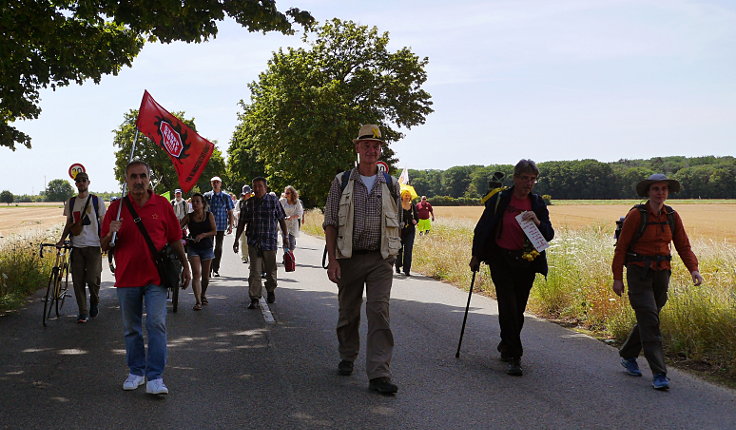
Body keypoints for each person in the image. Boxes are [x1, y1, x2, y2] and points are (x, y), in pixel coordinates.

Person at [323, 124, 402, 395]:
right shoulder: (342, 181)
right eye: (366, 145)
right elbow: (330, 221)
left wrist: (393, 255)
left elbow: (398, 223)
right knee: (348, 314)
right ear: (357, 148)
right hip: (349, 258)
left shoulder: (391, 184)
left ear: (380, 150)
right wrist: (333, 259)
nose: (371, 149)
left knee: (379, 312)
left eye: (375, 146)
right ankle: (347, 354)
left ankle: (379, 373)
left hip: (380, 260)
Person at [101, 160, 191, 395]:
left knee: (156, 324)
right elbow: (102, 245)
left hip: (155, 278)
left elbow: (174, 238)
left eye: (142, 176)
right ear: (126, 180)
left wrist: (186, 266)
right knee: (131, 328)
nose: (138, 181)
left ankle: (155, 377)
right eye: (133, 177)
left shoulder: (161, 204)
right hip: (127, 277)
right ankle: (136, 372)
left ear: (149, 178)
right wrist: (111, 230)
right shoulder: (117, 208)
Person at [612, 173, 703, 391]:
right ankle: (659, 374)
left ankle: (627, 354)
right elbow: (622, 247)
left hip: (662, 273)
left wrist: (694, 269)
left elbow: (683, 245)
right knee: (650, 320)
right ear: (648, 192)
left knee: (650, 317)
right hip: (638, 273)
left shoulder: (672, 215)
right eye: (656, 189)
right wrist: (617, 278)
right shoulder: (636, 215)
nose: (660, 192)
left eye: (664, 189)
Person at [469, 159, 554, 377]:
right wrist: (476, 256)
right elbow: (483, 228)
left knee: (518, 309)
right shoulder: (500, 199)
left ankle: (506, 344)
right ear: (515, 178)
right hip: (501, 259)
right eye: (524, 178)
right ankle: (515, 355)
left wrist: (536, 221)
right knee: (508, 306)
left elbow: (548, 234)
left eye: (533, 179)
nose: (528, 183)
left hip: (527, 262)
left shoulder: (537, 203)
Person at [57, 172, 107, 323]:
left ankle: (94, 301)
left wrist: (105, 241)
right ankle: (83, 312)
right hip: (76, 247)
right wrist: (61, 240)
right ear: (76, 184)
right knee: (78, 281)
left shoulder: (97, 201)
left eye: (84, 180)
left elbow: (103, 223)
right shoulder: (71, 202)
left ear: (88, 182)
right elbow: (69, 224)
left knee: (93, 279)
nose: (81, 183)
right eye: (78, 181)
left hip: (93, 245)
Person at [233, 177, 289, 309]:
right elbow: (242, 223)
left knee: (270, 270)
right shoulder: (249, 203)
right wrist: (236, 240)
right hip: (254, 242)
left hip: (269, 242)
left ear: (266, 187)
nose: (257, 189)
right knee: (254, 272)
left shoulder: (273, 201)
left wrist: (285, 236)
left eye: (260, 186)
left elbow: (281, 219)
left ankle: (270, 290)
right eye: (255, 186)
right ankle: (254, 298)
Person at [180, 193, 216, 310]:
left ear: (203, 204)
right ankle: (198, 301)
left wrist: (204, 235)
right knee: (196, 274)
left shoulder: (209, 215)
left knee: (205, 277)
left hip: (207, 248)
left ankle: (203, 294)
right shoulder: (189, 217)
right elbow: (177, 227)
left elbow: (214, 231)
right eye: (193, 201)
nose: (195, 204)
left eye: (197, 202)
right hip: (193, 247)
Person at [204, 176, 234, 277]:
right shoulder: (207, 196)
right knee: (208, 247)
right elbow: (201, 210)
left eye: (217, 182)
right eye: (213, 182)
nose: (215, 184)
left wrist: (230, 225)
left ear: (220, 184)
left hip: (221, 225)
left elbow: (230, 212)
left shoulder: (226, 197)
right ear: (211, 184)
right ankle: (208, 269)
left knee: (218, 247)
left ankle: (215, 269)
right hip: (208, 226)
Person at [395, 190, 419, 276]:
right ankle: (397, 266)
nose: (407, 197)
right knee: (399, 249)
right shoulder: (398, 206)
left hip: (410, 231)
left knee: (408, 250)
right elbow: (395, 217)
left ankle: (407, 269)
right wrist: (400, 222)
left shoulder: (412, 206)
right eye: (405, 195)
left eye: (408, 195)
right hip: (400, 231)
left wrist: (415, 221)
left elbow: (417, 218)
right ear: (402, 196)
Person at [279, 185, 304, 254]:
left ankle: (291, 254)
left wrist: (292, 217)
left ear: (292, 193)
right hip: (284, 223)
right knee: (285, 239)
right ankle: (286, 255)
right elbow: (278, 211)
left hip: (293, 223)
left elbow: (299, 213)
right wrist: (282, 217)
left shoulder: (297, 202)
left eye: (288, 193)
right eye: (285, 193)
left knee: (291, 240)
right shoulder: (282, 201)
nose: (286, 194)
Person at [234, 185, 254, 264]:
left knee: (251, 241)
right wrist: (238, 213)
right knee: (243, 241)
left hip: (251, 223)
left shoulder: (253, 200)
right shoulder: (240, 202)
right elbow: (235, 211)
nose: (248, 194)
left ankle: (251, 256)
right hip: (242, 223)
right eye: (246, 193)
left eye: (249, 193)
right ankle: (244, 257)